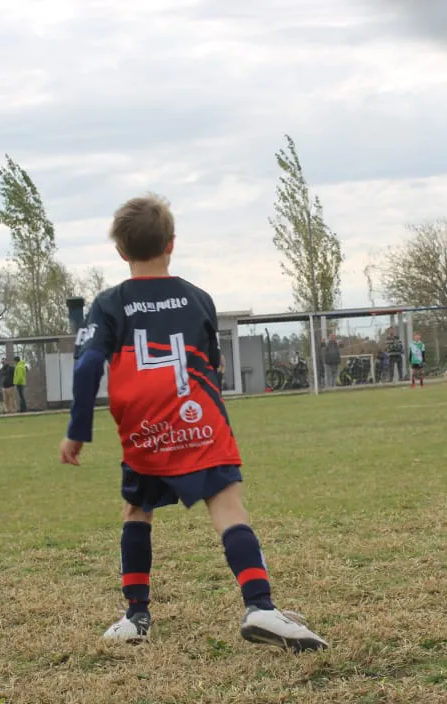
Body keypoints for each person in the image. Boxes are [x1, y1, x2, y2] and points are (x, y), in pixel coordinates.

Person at [60, 194, 327, 651]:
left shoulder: (108, 303)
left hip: (143, 425)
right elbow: (214, 366)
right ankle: (260, 606)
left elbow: (86, 366)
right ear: (171, 243)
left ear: (121, 252)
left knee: (137, 510)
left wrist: (78, 431)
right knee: (227, 507)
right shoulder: (198, 298)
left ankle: (136, 615)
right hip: (197, 416)